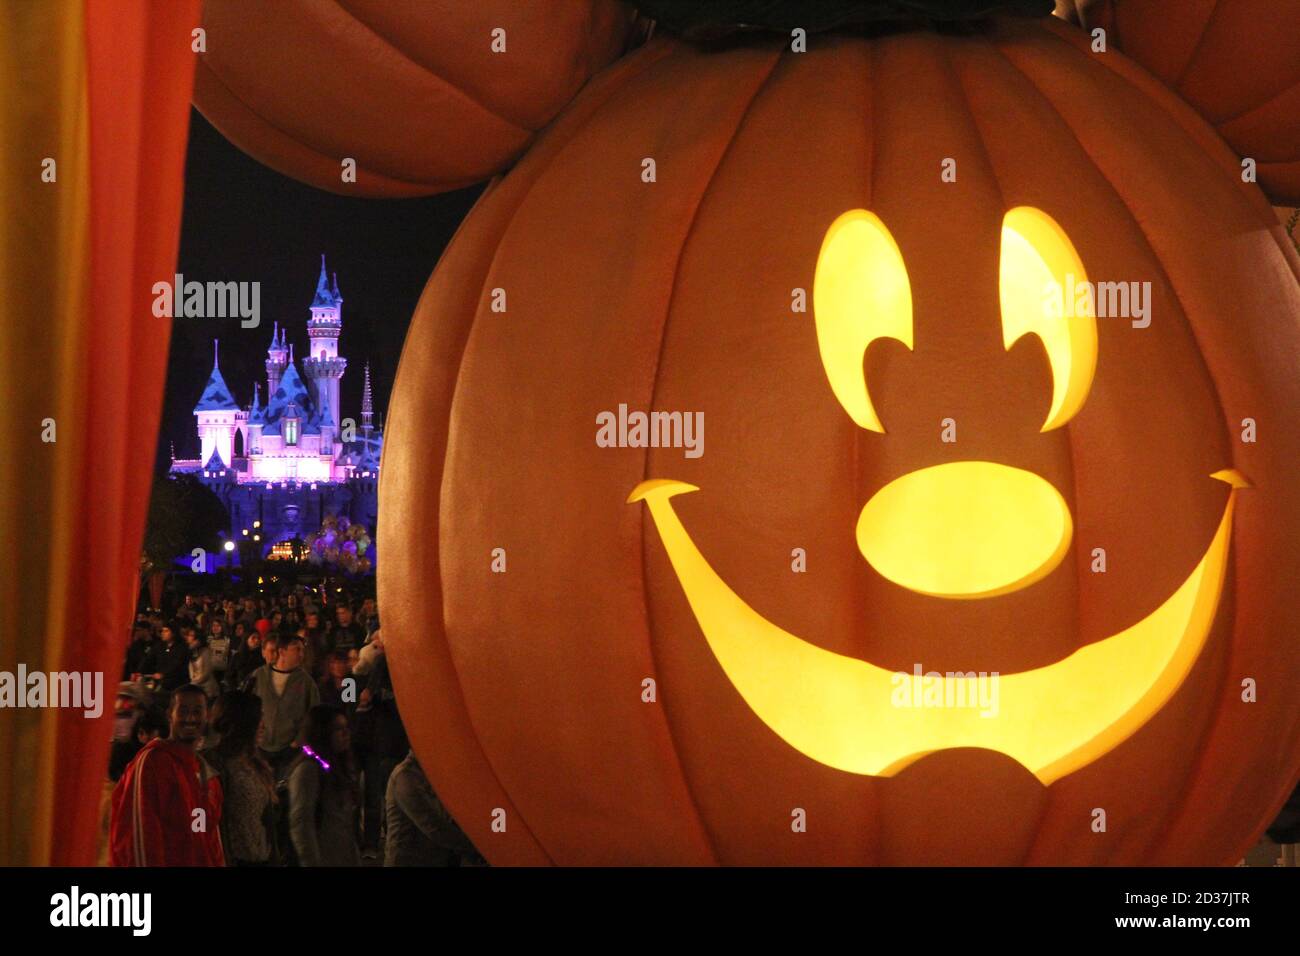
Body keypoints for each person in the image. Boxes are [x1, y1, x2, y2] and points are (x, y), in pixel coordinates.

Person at [109, 684, 225, 866]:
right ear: (170, 713)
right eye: (183, 710)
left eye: (197, 710)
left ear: (207, 716)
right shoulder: (152, 763)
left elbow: (205, 837)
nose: (190, 717)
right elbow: (138, 834)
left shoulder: (206, 777)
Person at [205, 691, 278, 866]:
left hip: (261, 858)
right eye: (258, 719)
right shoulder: (214, 763)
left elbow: (266, 819)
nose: (263, 726)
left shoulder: (256, 762)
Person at [287, 706, 361, 866]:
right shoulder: (308, 770)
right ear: (323, 732)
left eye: (347, 727)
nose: (346, 734)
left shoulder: (336, 767)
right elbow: (301, 823)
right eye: (338, 729)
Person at [384, 750, 485, 866]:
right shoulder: (405, 776)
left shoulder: (433, 772)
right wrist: (475, 846)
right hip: (409, 860)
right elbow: (433, 826)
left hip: (431, 858)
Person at [249, 633, 319, 779]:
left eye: (302, 650)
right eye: (296, 649)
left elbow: (313, 714)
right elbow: (246, 705)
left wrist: (298, 741)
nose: (301, 654)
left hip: (289, 749)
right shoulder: (259, 675)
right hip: (261, 745)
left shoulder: (306, 682)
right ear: (282, 651)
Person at [141, 624, 190, 694]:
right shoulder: (159, 645)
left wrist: (163, 674)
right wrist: (140, 671)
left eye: (166, 631)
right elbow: (148, 659)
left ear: (173, 633)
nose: (163, 633)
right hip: (159, 679)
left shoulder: (181, 647)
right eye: (162, 631)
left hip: (175, 680)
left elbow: (177, 665)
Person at [184, 626, 220, 701]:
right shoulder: (191, 651)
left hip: (207, 689)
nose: (188, 638)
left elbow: (206, 673)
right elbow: (191, 670)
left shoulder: (205, 651)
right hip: (196, 686)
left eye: (191, 635)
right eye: (188, 635)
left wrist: (194, 683)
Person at [207, 617, 232, 683]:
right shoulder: (208, 640)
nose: (215, 628)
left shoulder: (227, 640)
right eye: (214, 625)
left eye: (218, 625)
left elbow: (228, 656)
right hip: (209, 671)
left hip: (221, 671)